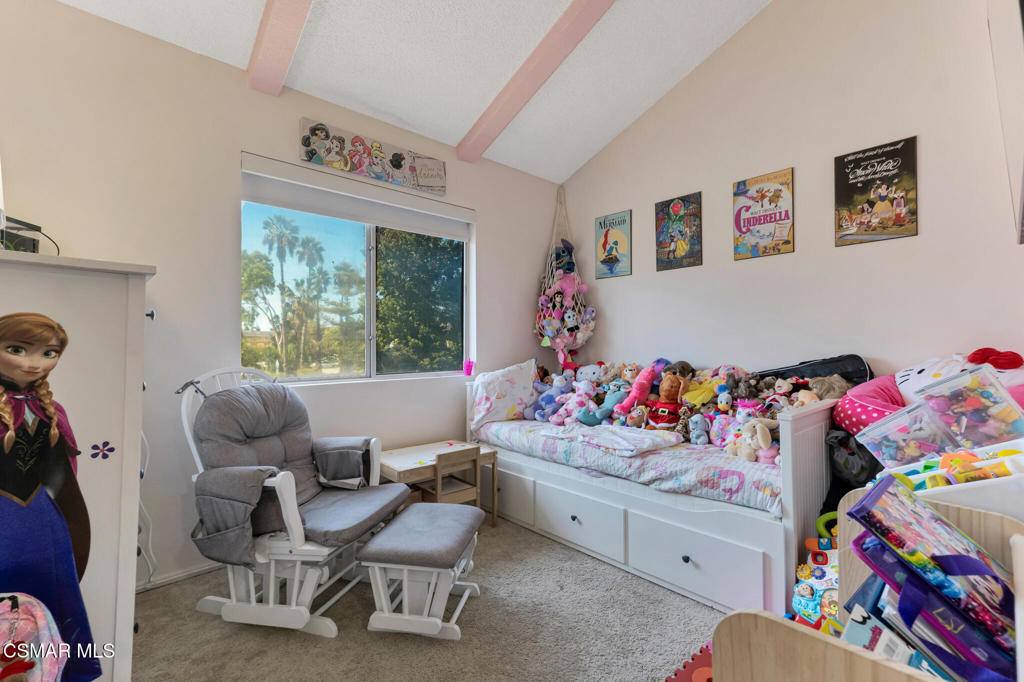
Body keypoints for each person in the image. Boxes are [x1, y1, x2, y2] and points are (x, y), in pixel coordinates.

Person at [0, 312, 101, 681]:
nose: (33, 362)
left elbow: (65, 479)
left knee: (48, 613)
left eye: (48, 353)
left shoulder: (52, 411)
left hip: (45, 530)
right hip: (3, 532)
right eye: (17, 349)